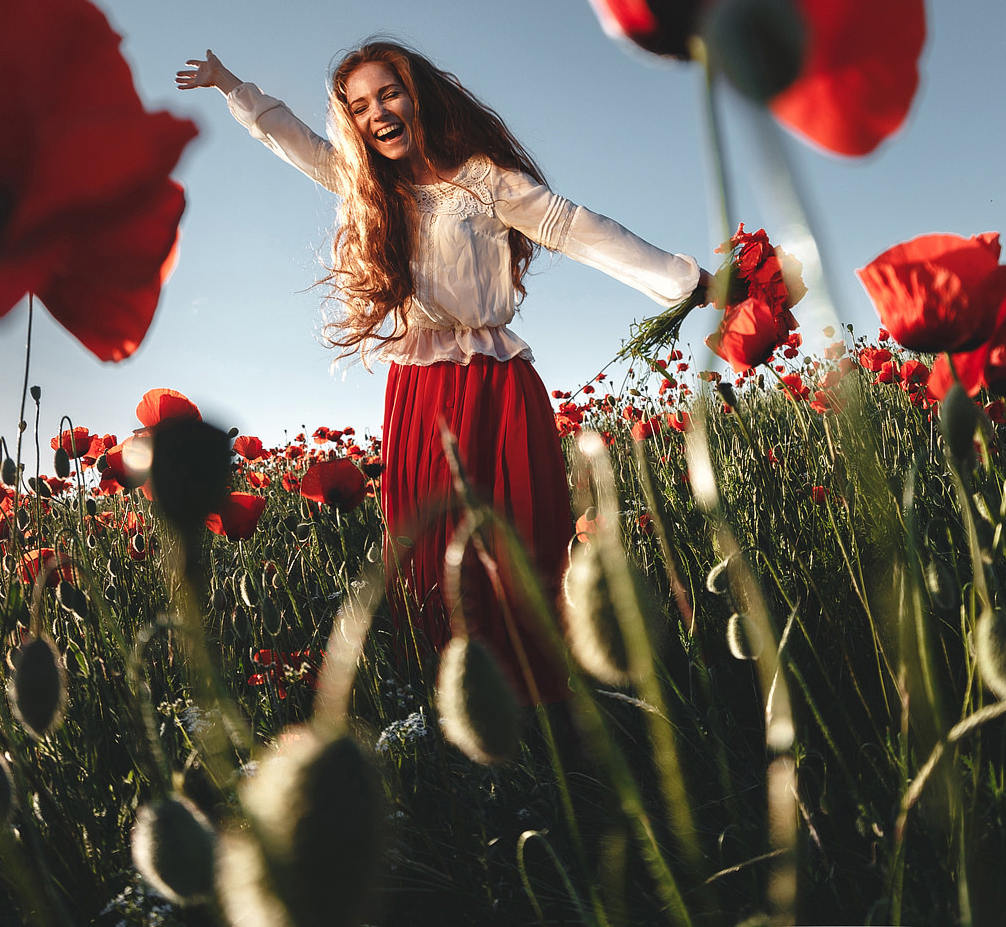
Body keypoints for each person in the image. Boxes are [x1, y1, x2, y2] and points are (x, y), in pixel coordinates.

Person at [176, 40, 709, 705]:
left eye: (389, 93)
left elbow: (578, 228)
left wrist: (689, 281)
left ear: (418, 92)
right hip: (420, 392)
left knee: (520, 543)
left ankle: (543, 703)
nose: (378, 114)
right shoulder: (368, 186)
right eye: (361, 106)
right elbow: (296, 142)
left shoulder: (482, 182)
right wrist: (233, 86)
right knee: (430, 553)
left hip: (496, 384)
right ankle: (447, 705)